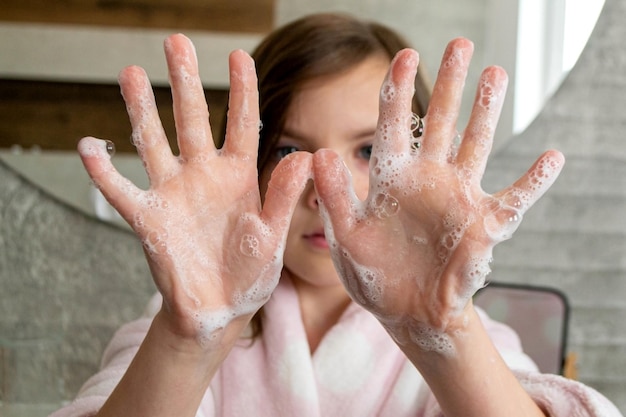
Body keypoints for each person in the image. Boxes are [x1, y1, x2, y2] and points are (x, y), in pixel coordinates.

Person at [51, 13, 621, 417]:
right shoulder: (183, 321)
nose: (326, 192)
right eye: (289, 152)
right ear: (243, 163)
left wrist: (442, 334)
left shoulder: (467, 334)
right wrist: (184, 340)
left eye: (369, 151)